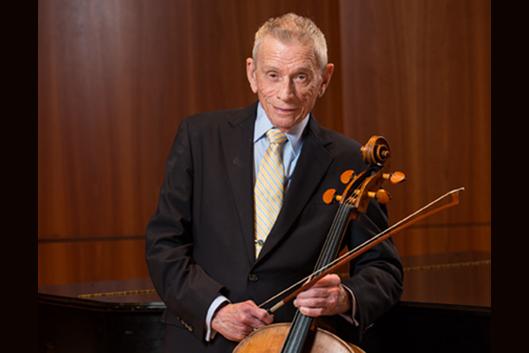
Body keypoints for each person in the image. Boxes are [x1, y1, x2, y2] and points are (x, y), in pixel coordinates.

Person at [145, 12, 403, 353]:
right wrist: (215, 310)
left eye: (301, 77)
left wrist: (344, 297)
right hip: (202, 343)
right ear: (252, 73)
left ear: (325, 79)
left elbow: (383, 269)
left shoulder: (353, 160)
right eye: (273, 75)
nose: (286, 93)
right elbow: (165, 245)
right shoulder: (199, 137)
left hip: (298, 344)